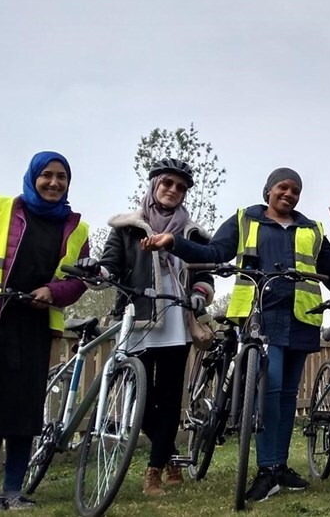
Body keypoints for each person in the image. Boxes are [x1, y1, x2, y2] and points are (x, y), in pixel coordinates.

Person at [141, 168, 330, 501]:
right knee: (271, 390)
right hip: (260, 317)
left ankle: (279, 467)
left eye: (296, 190)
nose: (290, 194)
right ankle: (267, 469)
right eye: (283, 187)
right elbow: (215, 253)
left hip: (301, 318)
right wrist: (175, 243)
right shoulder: (244, 219)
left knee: (286, 396)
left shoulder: (311, 228)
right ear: (268, 190)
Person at [78, 159, 215, 495]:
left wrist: (199, 293)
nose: (173, 190)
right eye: (167, 183)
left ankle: (154, 470)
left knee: (169, 398)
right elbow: (110, 266)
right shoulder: (129, 227)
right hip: (139, 318)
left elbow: (204, 275)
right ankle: (168, 454)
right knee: (141, 396)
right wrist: (97, 270)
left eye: (180, 187)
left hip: (177, 322)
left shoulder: (191, 233)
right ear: (154, 185)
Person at [0, 152, 91, 511]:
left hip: (36, 324)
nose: (54, 183)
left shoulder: (76, 227)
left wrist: (54, 292)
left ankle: (14, 490)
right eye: (47, 176)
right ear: (33, 177)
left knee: (24, 412)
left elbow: (79, 279)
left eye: (61, 178)